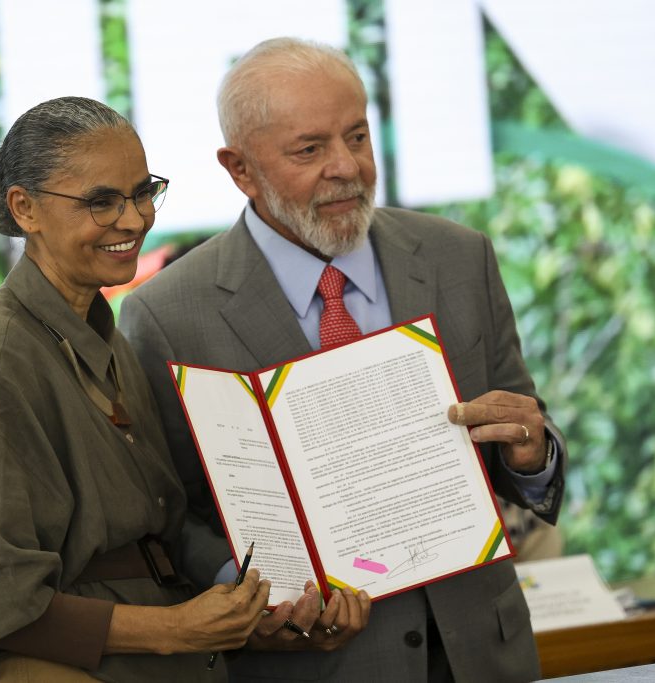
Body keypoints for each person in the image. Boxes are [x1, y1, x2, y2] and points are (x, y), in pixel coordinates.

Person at [119, 38, 565, 682]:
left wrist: (532, 455)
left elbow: (526, 432)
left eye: (357, 137)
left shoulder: (459, 259)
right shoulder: (167, 315)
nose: (346, 166)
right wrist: (254, 594)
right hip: (319, 666)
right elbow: (170, 514)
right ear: (239, 168)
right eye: (310, 149)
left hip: (483, 654)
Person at [0, 96, 273, 683]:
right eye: (101, 202)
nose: (135, 218)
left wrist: (246, 602)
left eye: (142, 191)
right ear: (25, 209)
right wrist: (174, 630)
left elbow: (163, 533)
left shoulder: (105, 339)